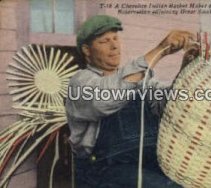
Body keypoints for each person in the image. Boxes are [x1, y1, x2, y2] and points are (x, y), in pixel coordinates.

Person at [66, 15, 198, 188]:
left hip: (150, 161)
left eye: (115, 38)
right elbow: (108, 97)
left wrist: (186, 69)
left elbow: (168, 105)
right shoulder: (81, 81)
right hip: (105, 170)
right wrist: (161, 49)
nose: (114, 46)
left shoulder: (140, 79)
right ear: (87, 50)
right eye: (105, 41)